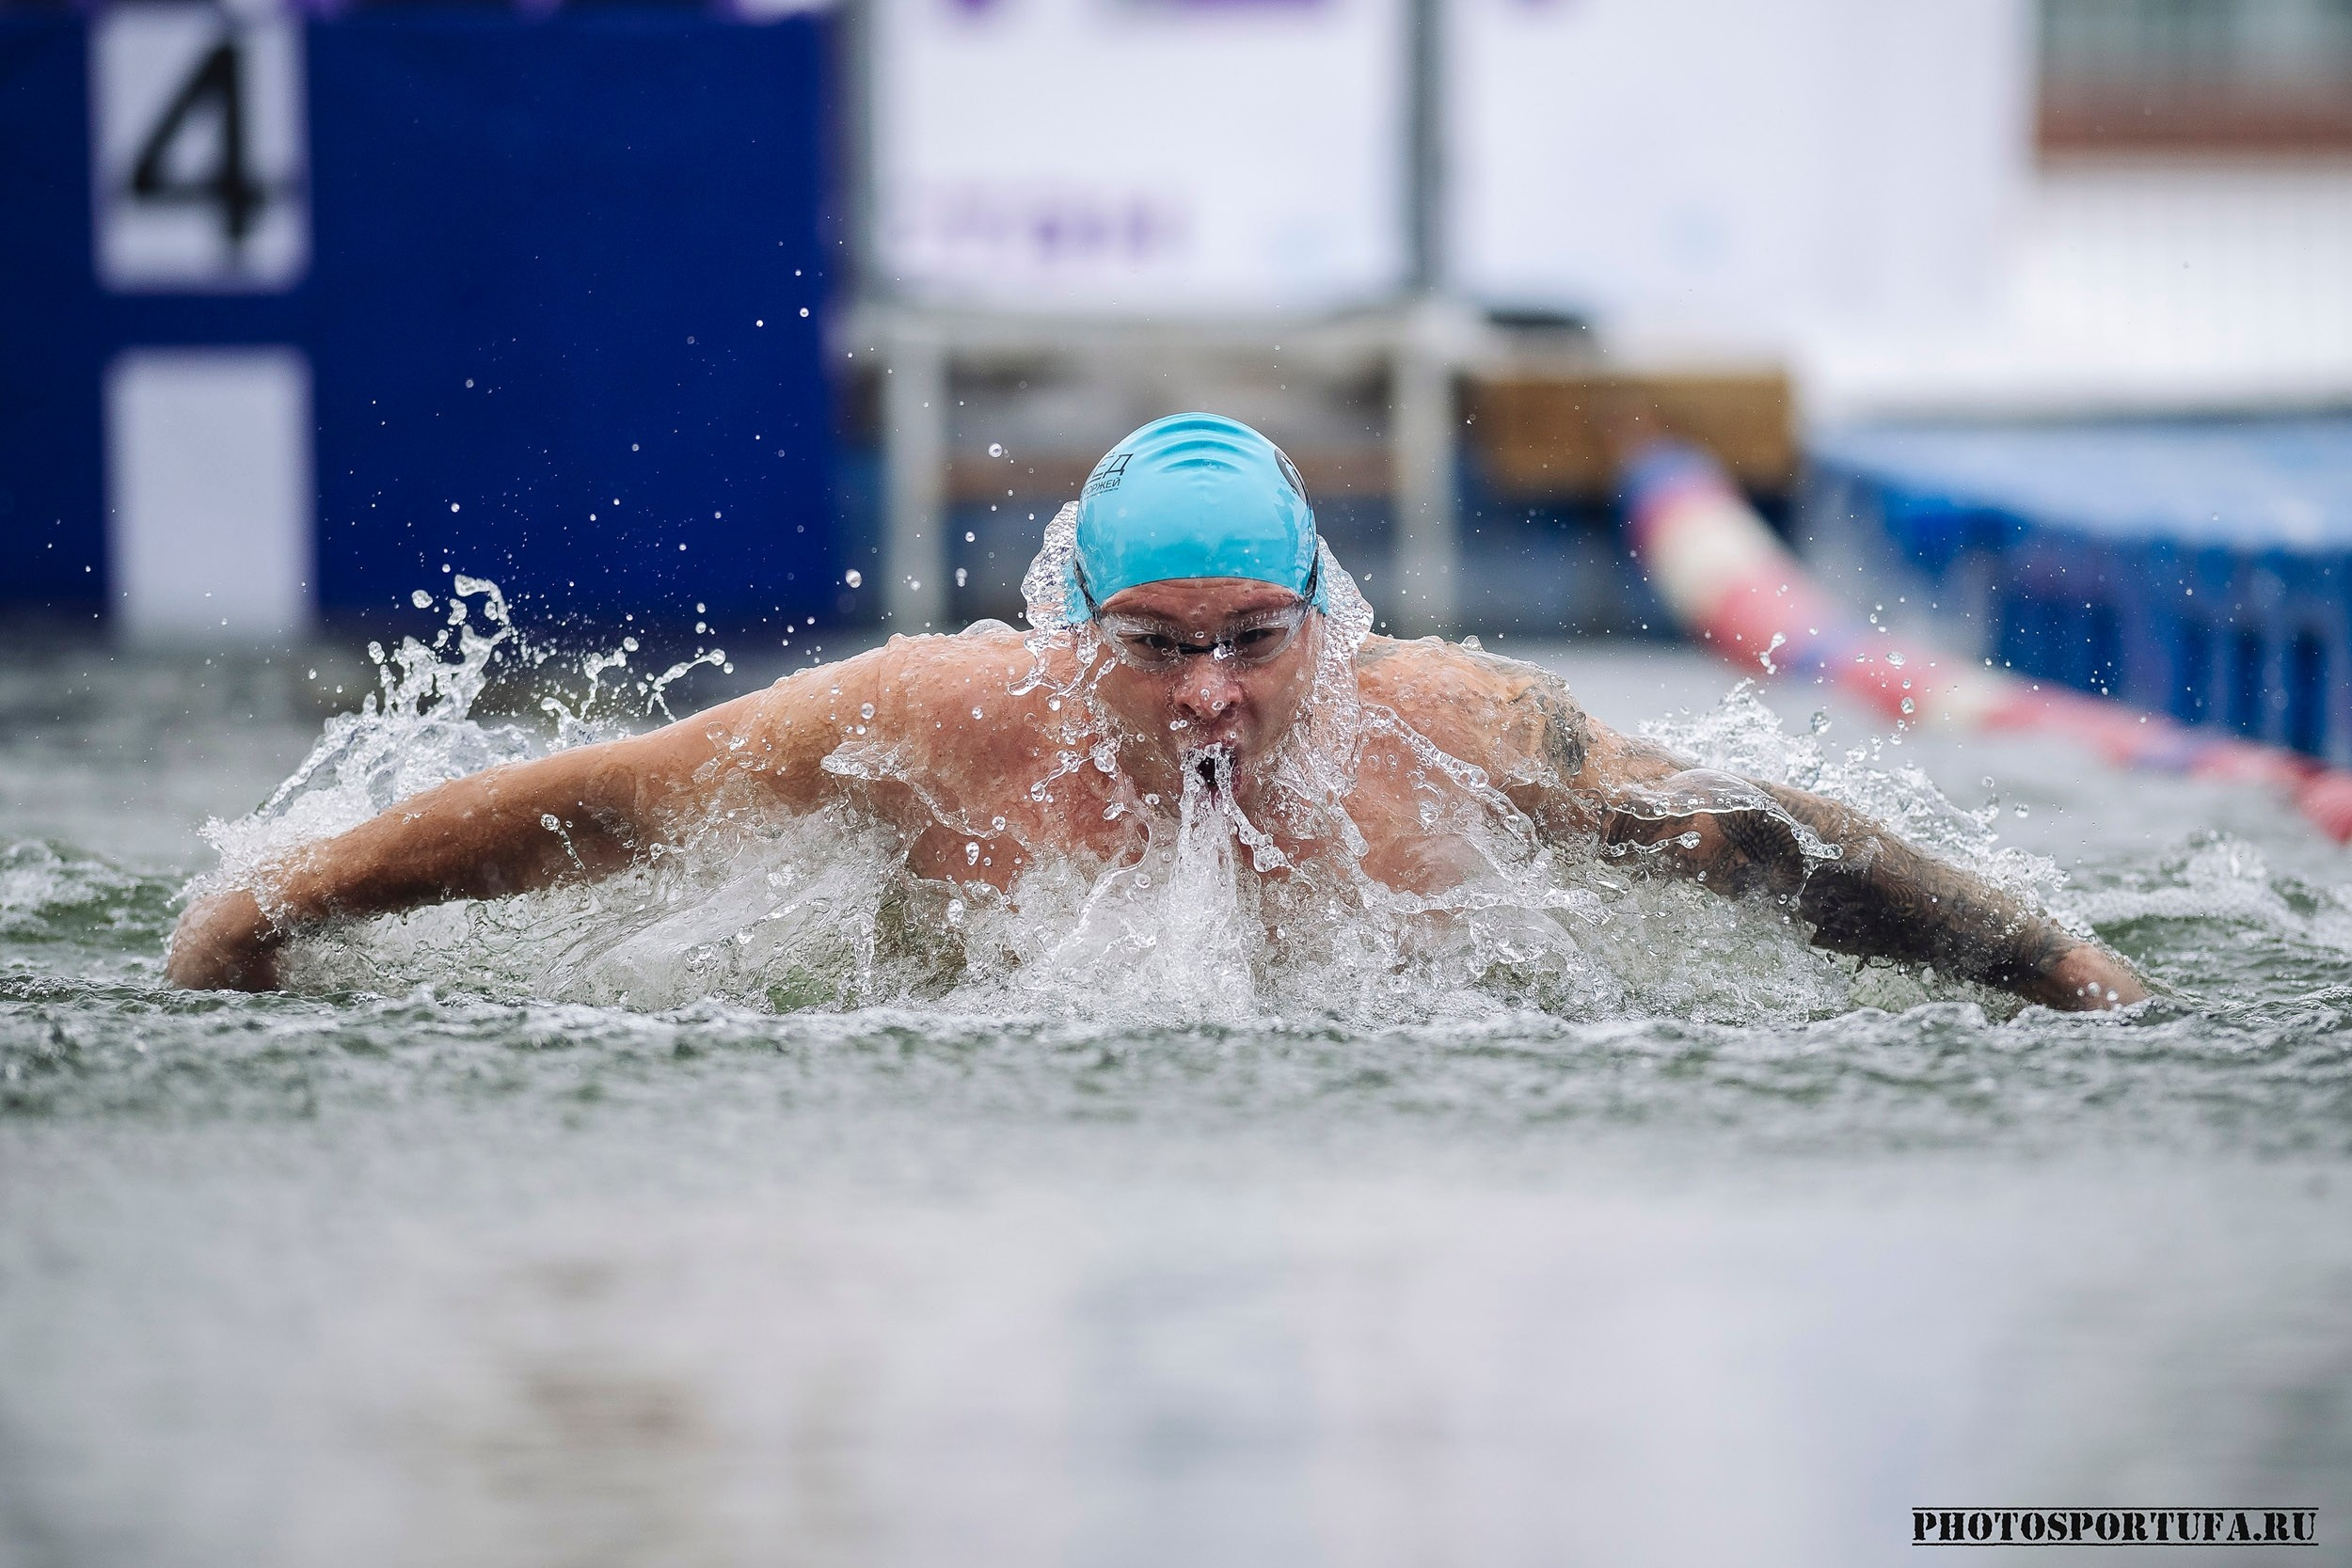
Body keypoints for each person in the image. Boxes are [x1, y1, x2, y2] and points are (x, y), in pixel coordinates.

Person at [167, 413, 2148, 1010]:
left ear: (1322, 612)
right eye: (1155, 646)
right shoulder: (932, 718)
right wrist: (282, 898)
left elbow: (1755, 839)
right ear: (1072, 623)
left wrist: (2057, 966)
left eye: (1253, 640)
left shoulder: (1445, 724)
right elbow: (594, 807)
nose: (1208, 691)